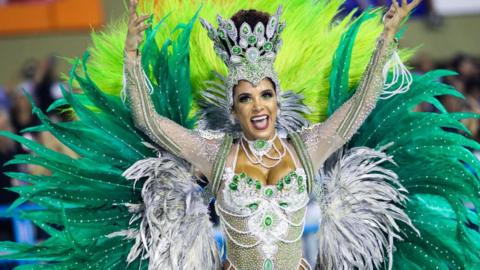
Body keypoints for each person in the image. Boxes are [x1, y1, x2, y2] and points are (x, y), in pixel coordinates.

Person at [1, 0, 479, 269]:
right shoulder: (214, 153)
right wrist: (130, 58)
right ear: (233, 107)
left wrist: (384, 41)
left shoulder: (308, 147)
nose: (258, 107)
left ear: (277, 99)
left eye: (266, 95)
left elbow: (359, 107)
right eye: (246, 98)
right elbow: (149, 121)